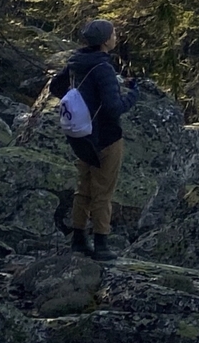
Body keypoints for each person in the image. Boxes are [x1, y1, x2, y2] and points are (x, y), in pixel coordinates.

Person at [51, 17, 138, 259]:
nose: (115, 37)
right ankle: (101, 245)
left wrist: (82, 105)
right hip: (106, 137)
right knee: (103, 190)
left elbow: (55, 88)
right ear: (104, 41)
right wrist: (134, 95)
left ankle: (78, 240)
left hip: (80, 135)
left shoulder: (76, 62)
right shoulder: (103, 67)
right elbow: (113, 108)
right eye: (113, 34)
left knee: (84, 187)